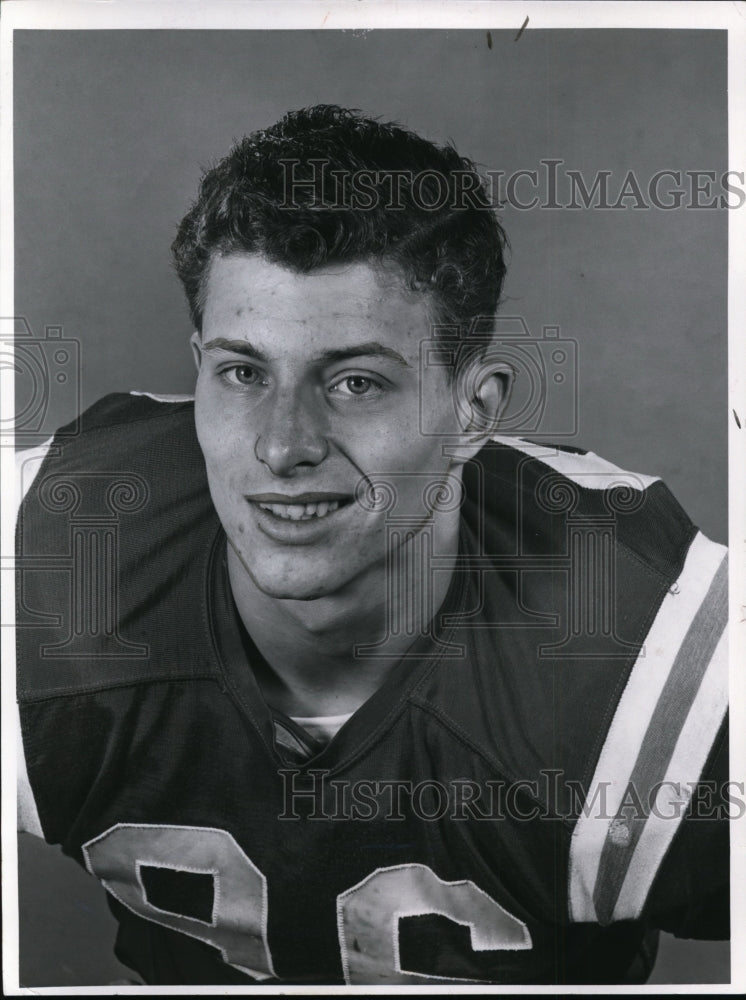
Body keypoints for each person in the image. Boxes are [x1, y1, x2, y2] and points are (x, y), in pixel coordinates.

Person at [15, 105, 728, 986]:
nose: (283, 446)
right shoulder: (44, 564)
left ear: (473, 410)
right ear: (197, 365)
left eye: (355, 382)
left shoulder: (643, 652)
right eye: (243, 373)